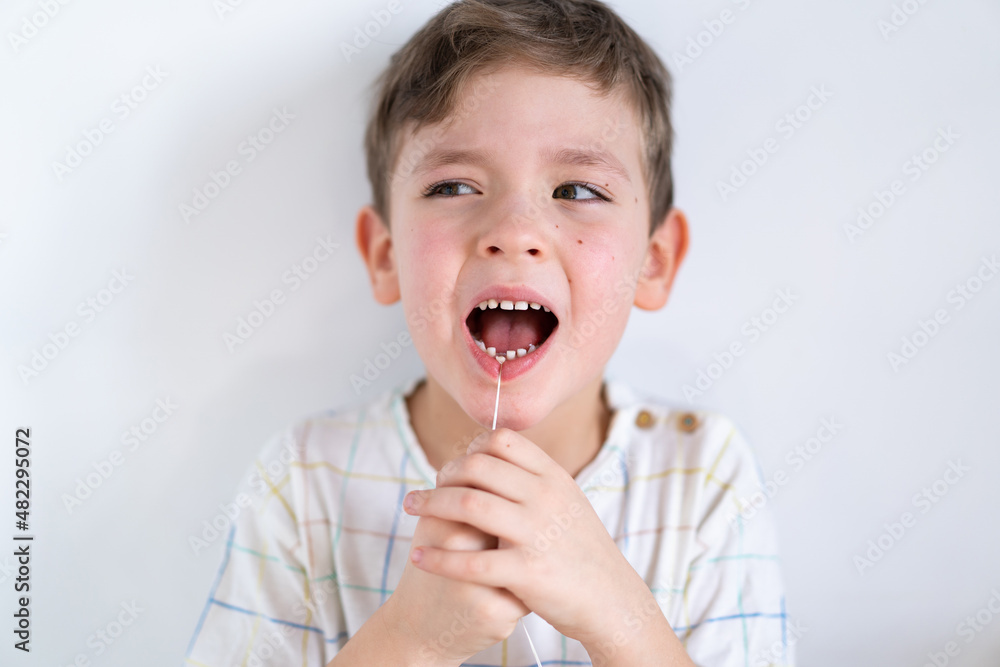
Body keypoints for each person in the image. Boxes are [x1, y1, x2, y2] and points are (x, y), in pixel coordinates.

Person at [184, 1, 794, 665]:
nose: (514, 232)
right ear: (386, 256)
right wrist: (408, 639)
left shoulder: (702, 474)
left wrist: (618, 614)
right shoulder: (303, 482)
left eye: (579, 189)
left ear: (653, 261)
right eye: (454, 185)